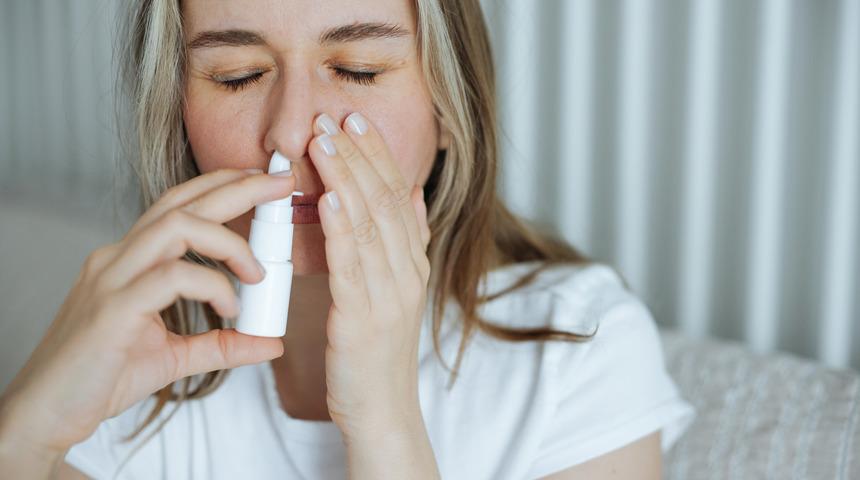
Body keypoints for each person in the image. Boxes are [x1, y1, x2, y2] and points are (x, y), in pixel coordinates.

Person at [0, 0, 695, 478]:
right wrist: (25, 432)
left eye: (357, 68)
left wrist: (383, 415)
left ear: (451, 108)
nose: (291, 132)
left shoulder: (578, 350)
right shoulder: (137, 354)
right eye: (237, 76)